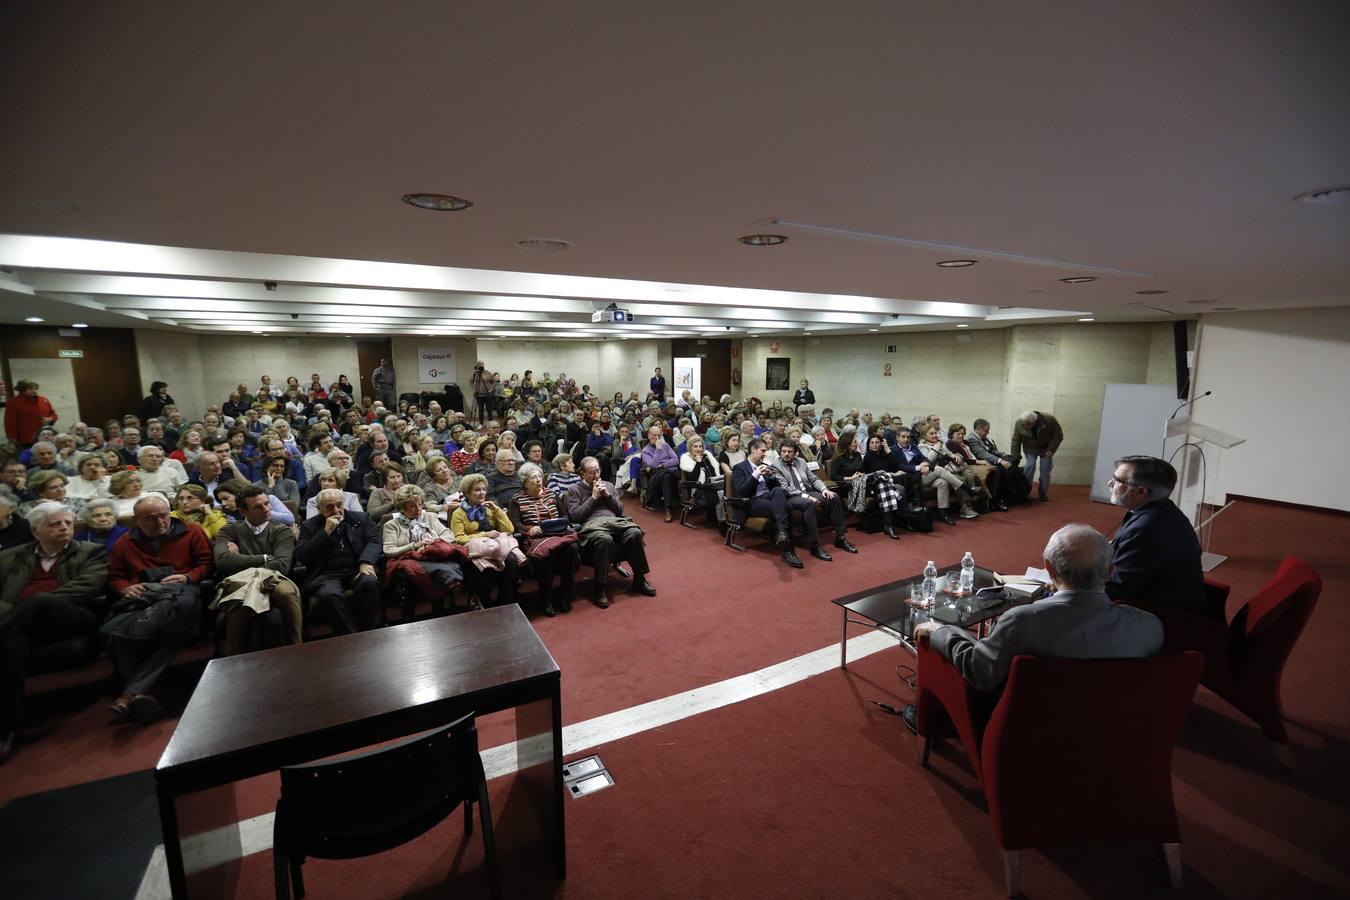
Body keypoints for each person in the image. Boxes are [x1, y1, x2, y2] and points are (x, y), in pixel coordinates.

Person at [908, 524, 1163, 730]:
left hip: (1025, 729)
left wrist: (942, 631)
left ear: (1049, 569)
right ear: (1110, 572)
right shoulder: (1149, 627)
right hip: (1112, 729)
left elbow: (980, 673)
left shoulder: (1022, 621)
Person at [0, 502, 108, 761]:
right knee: (10, 643)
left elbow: (86, 589)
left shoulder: (91, 552)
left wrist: (29, 607)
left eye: (68, 523)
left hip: (71, 619)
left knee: (41, 601)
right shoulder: (8, 557)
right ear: (36, 530)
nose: (64, 528)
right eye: (55, 524)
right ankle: (8, 729)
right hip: (19, 626)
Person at [104, 495, 213, 724]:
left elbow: (205, 564)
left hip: (181, 593)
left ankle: (128, 696)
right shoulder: (125, 542)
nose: (160, 521)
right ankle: (141, 694)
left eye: (164, 515)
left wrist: (187, 576)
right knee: (119, 636)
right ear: (136, 520)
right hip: (143, 599)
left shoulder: (192, 531)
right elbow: (116, 576)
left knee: (173, 622)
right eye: (151, 518)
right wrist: (125, 588)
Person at [1105, 456, 1208, 618]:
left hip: (1160, 615)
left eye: (1118, 480)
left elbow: (1118, 589)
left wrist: (1070, 586)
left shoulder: (1145, 529)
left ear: (1141, 491)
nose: (1110, 484)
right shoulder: (1163, 509)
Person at [211, 485, 303, 653]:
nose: (267, 509)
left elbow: (282, 565)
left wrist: (239, 557)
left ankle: (296, 647)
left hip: (274, 578)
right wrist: (266, 557)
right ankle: (232, 657)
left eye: (267, 503)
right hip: (242, 580)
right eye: (258, 507)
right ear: (243, 511)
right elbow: (223, 561)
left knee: (286, 594)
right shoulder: (229, 530)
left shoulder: (281, 530)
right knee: (239, 603)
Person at [565, 457, 657, 607]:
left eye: (598, 470)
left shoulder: (608, 485)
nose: (596, 475)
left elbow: (620, 511)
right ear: (582, 474)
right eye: (591, 472)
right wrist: (593, 498)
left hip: (615, 522)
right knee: (604, 539)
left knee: (634, 532)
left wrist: (607, 496)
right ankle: (600, 587)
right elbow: (576, 516)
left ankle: (639, 579)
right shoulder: (574, 490)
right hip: (592, 525)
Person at [295, 488, 382, 634]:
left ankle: (369, 630)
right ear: (319, 509)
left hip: (356, 567)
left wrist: (365, 561)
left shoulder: (361, 518)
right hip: (327, 574)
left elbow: (374, 541)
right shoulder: (309, 526)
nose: (336, 510)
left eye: (339, 505)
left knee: (369, 582)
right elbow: (302, 556)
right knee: (328, 594)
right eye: (329, 507)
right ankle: (352, 635)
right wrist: (325, 532)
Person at [508, 463, 579, 616]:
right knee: (546, 556)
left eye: (540, 476)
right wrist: (528, 529)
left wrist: (561, 524)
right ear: (525, 482)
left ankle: (565, 594)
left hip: (559, 534)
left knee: (572, 549)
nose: (539, 480)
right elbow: (514, 522)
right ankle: (546, 599)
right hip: (537, 537)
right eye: (534, 477)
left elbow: (564, 516)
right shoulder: (517, 499)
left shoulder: (551, 494)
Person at [731, 439, 805, 569]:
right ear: (753, 450)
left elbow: (778, 490)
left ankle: (783, 535)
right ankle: (788, 550)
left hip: (769, 498)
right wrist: (755, 474)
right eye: (763, 450)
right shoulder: (739, 468)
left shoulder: (766, 465)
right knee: (786, 508)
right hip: (752, 501)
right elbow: (741, 493)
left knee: (777, 491)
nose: (765, 454)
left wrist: (771, 477)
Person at [449, 473, 520, 609]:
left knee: (510, 560)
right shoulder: (459, 513)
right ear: (467, 493)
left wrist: (497, 510)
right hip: (475, 549)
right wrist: (484, 534)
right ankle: (485, 604)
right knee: (485, 566)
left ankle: (504, 602)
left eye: (483, 489)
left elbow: (509, 529)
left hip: (496, 546)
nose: (482, 493)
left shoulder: (490, 507)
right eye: (477, 490)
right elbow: (459, 539)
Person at [774, 439, 856, 555]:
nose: (786, 454)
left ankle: (840, 537)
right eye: (783, 451)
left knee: (834, 497)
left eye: (789, 452)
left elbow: (813, 479)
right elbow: (785, 488)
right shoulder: (775, 465)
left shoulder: (801, 461)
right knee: (809, 504)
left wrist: (824, 489)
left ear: (795, 453)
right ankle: (815, 544)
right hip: (791, 496)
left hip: (807, 492)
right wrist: (806, 497)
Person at [1011, 409, 1063, 502]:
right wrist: (1015, 457)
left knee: (1045, 469)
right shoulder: (1019, 423)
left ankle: (1043, 494)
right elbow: (1016, 440)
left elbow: (1058, 435)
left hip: (1046, 448)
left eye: (1028, 424)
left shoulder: (1049, 420)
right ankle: (1024, 492)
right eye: (1024, 424)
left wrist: (1051, 449)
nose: (1025, 426)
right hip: (1030, 448)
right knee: (1030, 466)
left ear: (1034, 421)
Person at [641, 424, 680, 522]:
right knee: (666, 477)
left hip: (671, 472)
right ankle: (668, 509)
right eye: (654, 435)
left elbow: (676, 460)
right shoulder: (645, 451)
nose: (656, 438)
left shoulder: (666, 445)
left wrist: (663, 465)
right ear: (648, 435)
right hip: (658, 476)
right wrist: (658, 450)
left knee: (667, 474)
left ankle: (668, 509)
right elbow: (653, 465)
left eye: (658, 435)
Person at [4, 380, 57, 448]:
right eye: (30, 389)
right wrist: (11, 437)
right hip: (27, 439)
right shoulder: (13, 402)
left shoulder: (43, 400)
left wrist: (51, 419)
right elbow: (10, 421)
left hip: (46, 436)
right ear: (22, 390)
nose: (34, 391)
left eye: (35, 388)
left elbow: (54, 414)